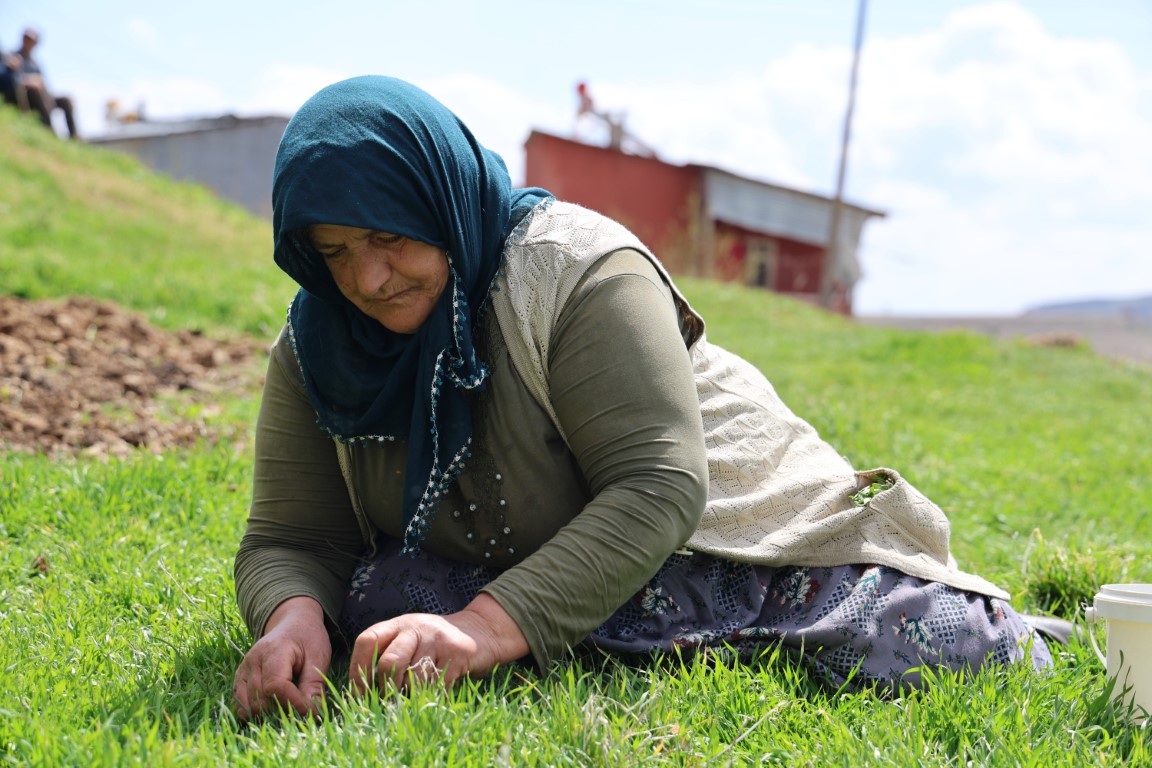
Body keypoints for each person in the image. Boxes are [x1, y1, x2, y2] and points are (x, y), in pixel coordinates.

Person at [232, 76, 1064, 721]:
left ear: (441, 203)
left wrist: (486, 629)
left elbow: (659, 486)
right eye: (335, 252)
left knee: (932, 646)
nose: (367, 279)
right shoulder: (319, 344)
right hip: (527, 565)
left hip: (728, 541)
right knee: (374, 604)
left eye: (388, 236)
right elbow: (289, 534)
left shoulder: (574, 272)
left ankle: (1021, 633)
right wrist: (290, 619)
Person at [1, 27, 78, 139]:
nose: (27, 41)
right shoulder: (11, 57)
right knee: (35, 90)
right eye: (26, 38)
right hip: (26, 97)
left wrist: (39, 83)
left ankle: (73, 137)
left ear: (36, 43)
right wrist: (27, 80)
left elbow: (44, 83)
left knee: (66, 99)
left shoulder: (35, 64)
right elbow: (5, 79)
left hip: (43, 96)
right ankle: (50, 131)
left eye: (31, 40)